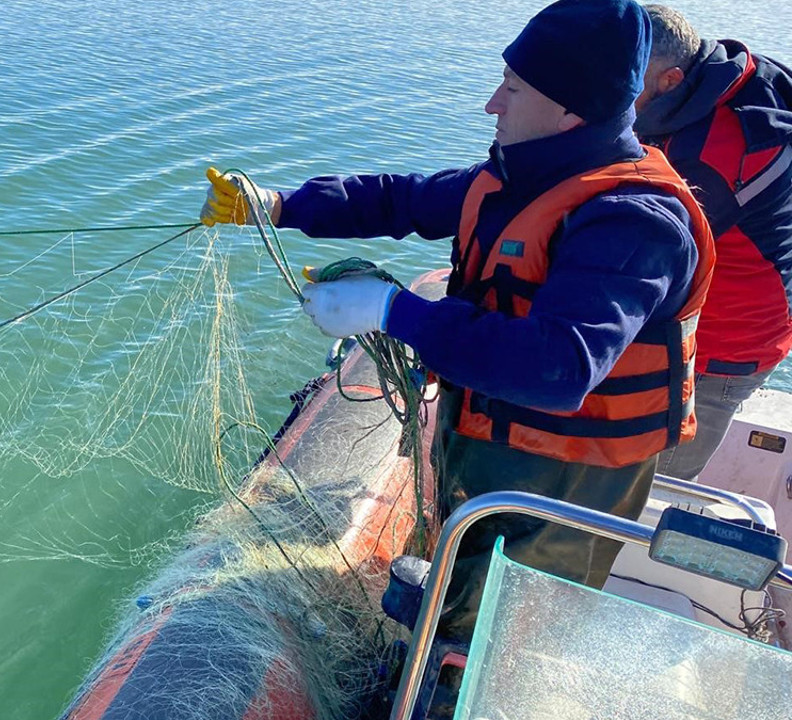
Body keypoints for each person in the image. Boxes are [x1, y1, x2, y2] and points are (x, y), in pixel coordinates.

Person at [201, 0, 715, 644]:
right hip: (490, 445)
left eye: (512, 88)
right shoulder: (526, 173)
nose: (491, 104)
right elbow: (404, 198)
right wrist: (277, 205)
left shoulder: (634, 220)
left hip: (562, 484)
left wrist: (393, 310)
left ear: (569, 110)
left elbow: (558, 369)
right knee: (456, 591)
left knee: (497, 636)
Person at [635, 5, 792, 481]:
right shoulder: (736, 76)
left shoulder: (709, 159)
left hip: (725, 344)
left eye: (624, 80)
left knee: (647, 481)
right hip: (753, 293)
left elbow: (637, 256)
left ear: (670, 79)